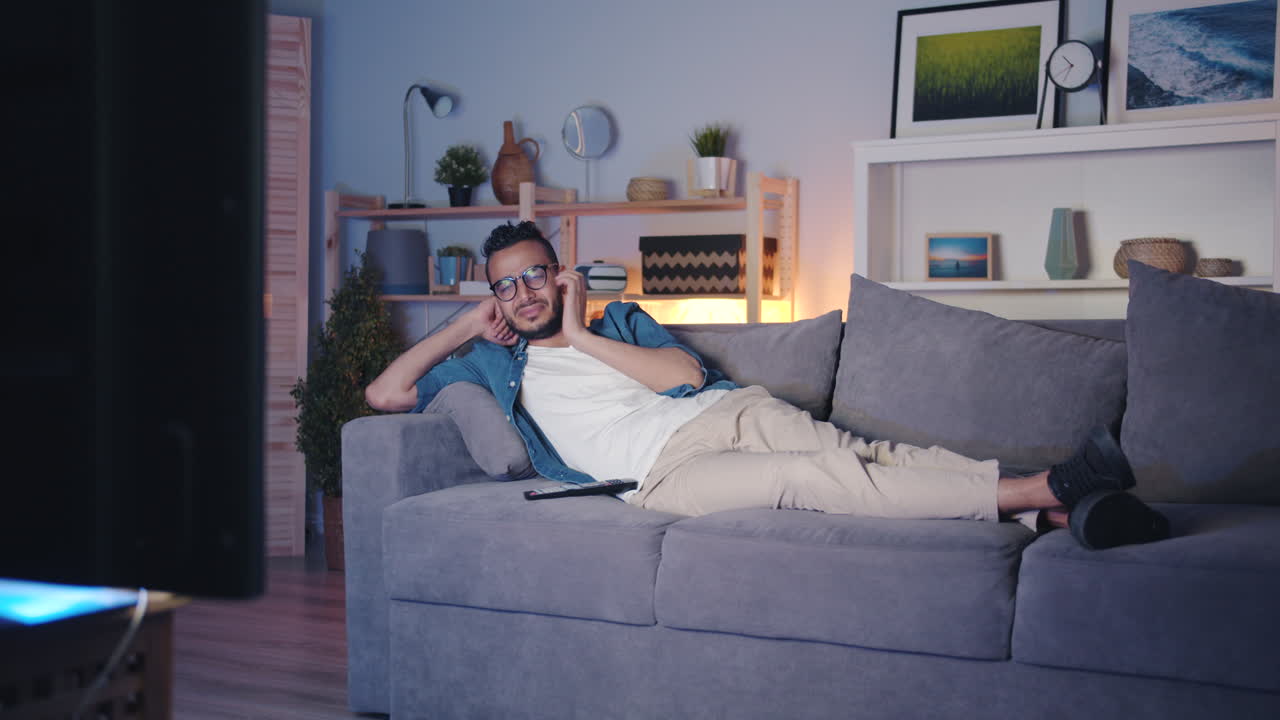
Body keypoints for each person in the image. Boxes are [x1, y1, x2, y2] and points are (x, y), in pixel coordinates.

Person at [366, 222, 1169, 549]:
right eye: (508, 286)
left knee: (867, 454)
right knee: (808, 479)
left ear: (560, 273)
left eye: (537, 274)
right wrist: (466, 325)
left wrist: (580, 331)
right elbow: (387, 395)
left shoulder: (613, 321)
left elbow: (684, 377)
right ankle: (1041, 485)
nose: (526, 293)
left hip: (727, 412)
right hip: (664, 475)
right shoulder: (493, 360)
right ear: (495, 296)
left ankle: (1047, 511)